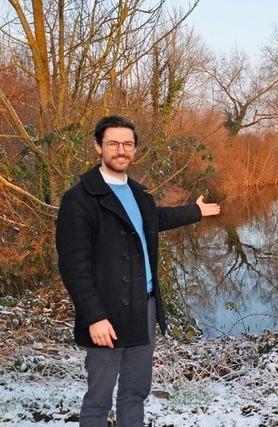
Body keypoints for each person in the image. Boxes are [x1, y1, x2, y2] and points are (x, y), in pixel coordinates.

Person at [55, 115, 220, 426]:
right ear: (98, 146)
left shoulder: (139, 194)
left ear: (135, 149)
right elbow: (73, 266)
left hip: (143, 306)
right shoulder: (79, 199)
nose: (121, 150)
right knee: (98, 400)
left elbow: (157, 218)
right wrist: (94, 316)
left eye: (127, 144)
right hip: (106, 313)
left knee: (135, 392)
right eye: (113, 143)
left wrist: (196, 211)